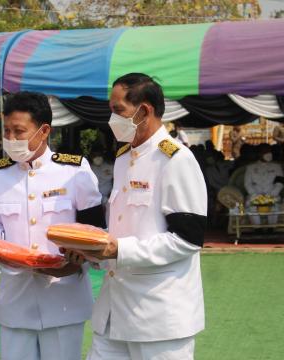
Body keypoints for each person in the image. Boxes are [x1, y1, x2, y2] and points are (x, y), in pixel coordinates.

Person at [64, 73, 207, 360]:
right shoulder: (123, 158)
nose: (111, 118)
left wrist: (119, 250)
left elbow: (188, 239)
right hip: (114, 311)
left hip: (158, 316)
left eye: (118, 110)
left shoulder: (175, 159)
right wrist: (92, 251)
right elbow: (124, 227)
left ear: (144, 111)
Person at [0, 91, 106, 360]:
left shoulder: (74, 171)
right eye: (7, 131)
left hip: (63, 299)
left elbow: (97, 232)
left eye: (19, 131)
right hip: (16, 299)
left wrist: (78, 256)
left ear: (44, 130)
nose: (11, 139)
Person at [244, 143, 283, 226]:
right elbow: (247, 184)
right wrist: (256, 195)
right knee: (251, 205)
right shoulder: (250, 167)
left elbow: (280, 183)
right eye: (266, 152)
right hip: (255, 195)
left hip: (272, 194)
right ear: (259, 154)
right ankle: (257, 228)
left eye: (270, 151)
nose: (269, 154)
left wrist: (271, 194)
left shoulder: (277, 167)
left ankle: (271, 228)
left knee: (274, 205)